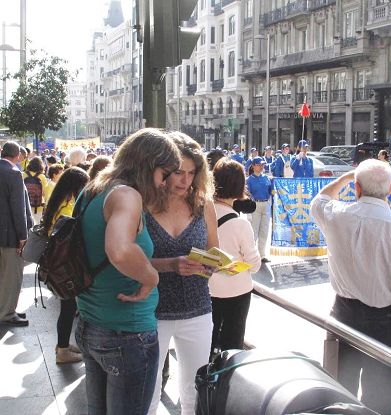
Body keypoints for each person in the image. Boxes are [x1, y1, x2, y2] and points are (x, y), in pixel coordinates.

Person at [75, 128, 181, 415]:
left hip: (90, 324)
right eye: (166, 172)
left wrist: (169, 265)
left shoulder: (94, 189)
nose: (166, 182)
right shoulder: (126, 195)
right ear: (149, 166)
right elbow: (119, 250)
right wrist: (152, 278)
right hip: (126, 335)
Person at [311, 159, 391, 415]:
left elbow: (319, 199)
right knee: (379, 398)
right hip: (386, 324)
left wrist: (344, 179)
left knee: (339, 392)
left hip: (342, 316)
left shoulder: (335, 214)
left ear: (357, 189)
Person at [146, 132, 218, 415]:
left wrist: (211, 265)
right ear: (162, 170)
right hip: (152, 311)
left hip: (198, 309)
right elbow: (127, 260)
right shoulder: (143, 203)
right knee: (148, 393)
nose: (185, 180)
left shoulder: (204, 205)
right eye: (178, 172)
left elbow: (214, 250)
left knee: (194, 393)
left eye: (191, 173)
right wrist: (170, 264)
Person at [210, 158, 261, 357]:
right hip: (237, 292)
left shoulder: (200, 214)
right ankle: (226, 384)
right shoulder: (240, 224)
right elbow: (255, 265)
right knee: (232, 346)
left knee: (207, 342)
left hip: (207, 290)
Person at [42, 167, 89, 363]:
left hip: (56, 265)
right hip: (68, 266)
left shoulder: (55, 202)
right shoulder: (71, 206)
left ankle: (62, 345)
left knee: (67, 307)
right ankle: (63, 350)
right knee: (70, 308)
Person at [0, 141, 33, 327]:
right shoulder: (13, 174)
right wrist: (23, 235)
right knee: (12, 276)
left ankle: (4, 308)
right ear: (18, 155)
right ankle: (7, 312)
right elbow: (18, 207)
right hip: (10, 234)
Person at [246, 157, 273, 262]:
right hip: (255, 205)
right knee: (254, 231)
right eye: (259, 165)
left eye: (262, 165)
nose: (262, 166)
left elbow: (271, 191)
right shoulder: (249, 180)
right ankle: (252, 255)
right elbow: (247, 194)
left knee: (264, 231)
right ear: (253, 166)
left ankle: (262, 254)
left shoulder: (267, 178)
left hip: (266, 204)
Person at [23, 156, 49, 225]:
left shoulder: (23, 174)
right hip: (38, 206)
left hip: (24, 204)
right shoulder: (42, 177)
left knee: (26, 224)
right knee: (36, 225)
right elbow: (45, 192)